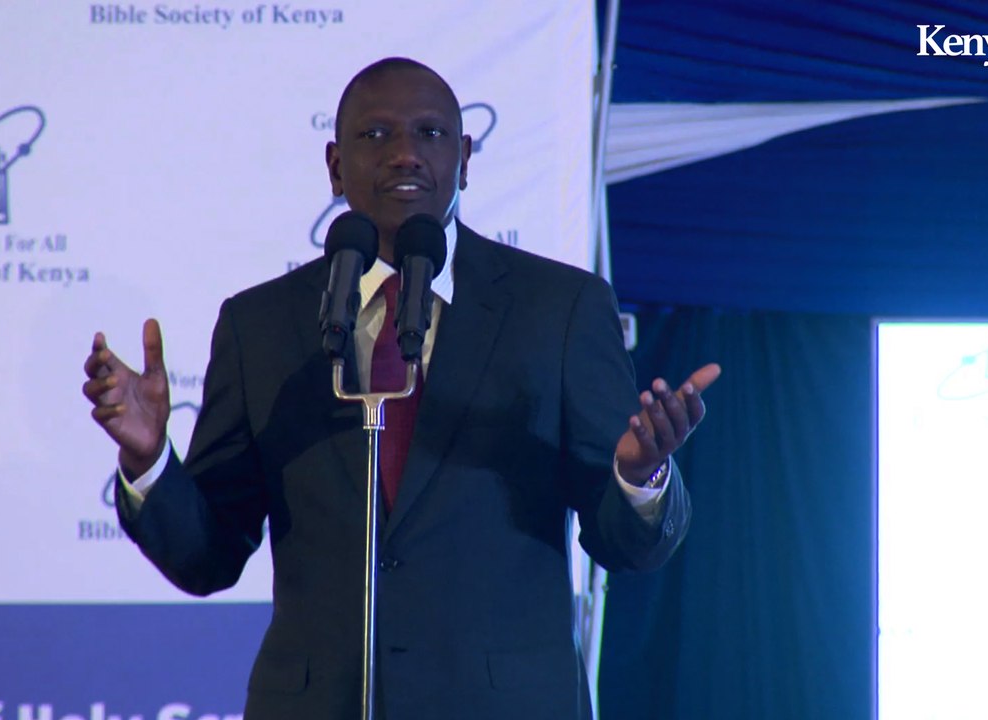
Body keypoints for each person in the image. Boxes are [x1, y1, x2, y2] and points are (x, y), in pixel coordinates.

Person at [82, 57, 720, 720]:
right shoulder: (261, 324)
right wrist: (149, 460)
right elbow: (207, 556)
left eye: (430, 133)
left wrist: (639, 478)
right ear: (335, 166)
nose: (405, 153)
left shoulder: (560, 308)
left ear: (465, 159)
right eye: (376, 135)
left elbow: (624, 544)